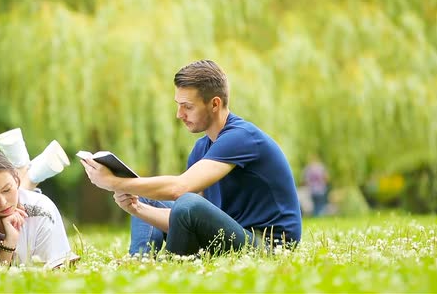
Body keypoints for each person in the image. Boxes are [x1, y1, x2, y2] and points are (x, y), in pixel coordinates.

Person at [81, 59, 302, 256]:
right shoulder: (201, 149)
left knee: (185, 200)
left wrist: (114, 182)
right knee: (147, 197)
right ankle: (140, 260)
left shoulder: (242, 137)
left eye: (187, 107)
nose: (179, 114)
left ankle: (173, 265)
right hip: (233, 233)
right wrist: (136, 208)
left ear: (215, 104)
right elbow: (183, 219)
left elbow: (181, 191)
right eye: (178, 106)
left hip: (269, 245)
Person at [0, 146, 78, 268]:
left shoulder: (43, 211)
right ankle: (29, 173)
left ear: (16, 180)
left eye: (7, 190)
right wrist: (10, 241)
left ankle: (26, 172)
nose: (3, 202)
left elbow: (55, 271)